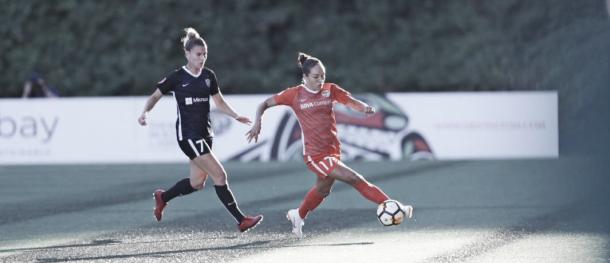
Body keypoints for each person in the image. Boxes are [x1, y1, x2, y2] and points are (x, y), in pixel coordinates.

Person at [246, 52, 413, 238]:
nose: (320, 80)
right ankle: (392, 205)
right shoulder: (293, 94)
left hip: (333, 151)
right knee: (354, 178)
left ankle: (298, 215)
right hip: (315, 155)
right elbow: (264, 104)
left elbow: (349, 101)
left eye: (323, 76)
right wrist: (257, 122)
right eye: (316, 77)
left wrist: (364, 108)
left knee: (323, 189)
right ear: (305, 77)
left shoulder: (329, 90)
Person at [138, 27, 262, 232]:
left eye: (204, 54)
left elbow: (219, 102)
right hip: (188, 136)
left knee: (196, 183)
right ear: (187, 54)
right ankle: (241, 220)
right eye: (198, 54)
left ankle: (163, 197)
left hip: (205, 134)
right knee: (220, 176)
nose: (202, 58)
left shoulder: (208, 76)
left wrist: (236, 115)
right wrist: (145, 113)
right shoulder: (177, 77)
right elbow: (154, 97)